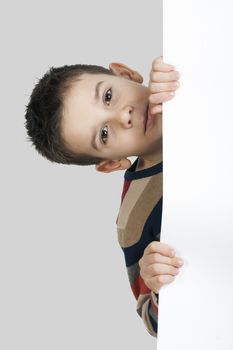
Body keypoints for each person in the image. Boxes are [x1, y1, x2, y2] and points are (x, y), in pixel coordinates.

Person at [24, 56, 184, 337]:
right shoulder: (133, 220)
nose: (124, 116)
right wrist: (156, 285)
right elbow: (152, 321)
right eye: (105, 134)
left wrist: (182, 69)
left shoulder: (180, 74)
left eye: (108, 96)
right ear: (111, 162)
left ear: (126, 73)